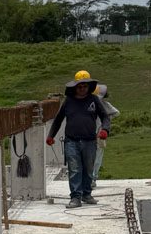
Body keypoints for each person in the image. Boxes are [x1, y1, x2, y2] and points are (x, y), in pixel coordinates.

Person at [45, 71, 111, 208]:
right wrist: (51, 135)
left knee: (88, 168)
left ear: (89, 87)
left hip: (90, 141)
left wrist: (105, 129)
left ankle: (87, 194)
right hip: (71, 141)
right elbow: (58, 120)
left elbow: (105, 117)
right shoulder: (68, 101)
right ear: (75, 87)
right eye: (79, 87)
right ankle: (75, 197)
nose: (82, 89)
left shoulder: (94, 100)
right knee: (74, 169)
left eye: (85, 86)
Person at [91, 81, 120, 184]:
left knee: (92, 156)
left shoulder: (95, 104)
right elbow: (116, 112)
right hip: (98, 133)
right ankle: (93, 178)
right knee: (97, 156)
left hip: (95, 133)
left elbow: (116, 112)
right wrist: (107, 118)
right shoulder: (104, 104)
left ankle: (91, 178)